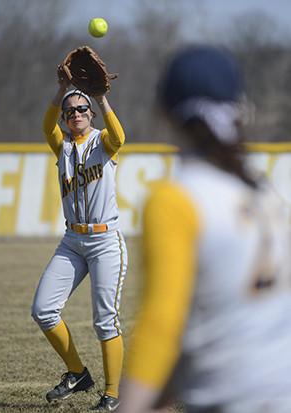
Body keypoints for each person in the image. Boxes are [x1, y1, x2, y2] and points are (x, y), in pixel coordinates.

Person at [116, 45, 291, 413]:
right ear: (241, 110)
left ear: (162, 110)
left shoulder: (176, 198)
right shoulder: (263, 192)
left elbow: (163, 326)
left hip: (231, 398)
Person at [31, 57, 128, 412]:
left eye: (81, 108)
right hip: (72, 241)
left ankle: (113, 394)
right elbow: (45, 126)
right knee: (43, 310)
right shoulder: (63, 147)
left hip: (105, 240)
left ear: (90, 114)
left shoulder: (103, 142)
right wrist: (61, 90)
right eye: (70, 110)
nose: (75, 114)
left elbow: (120, 136)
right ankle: (77, 373)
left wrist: (102, 98)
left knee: (105, 318)